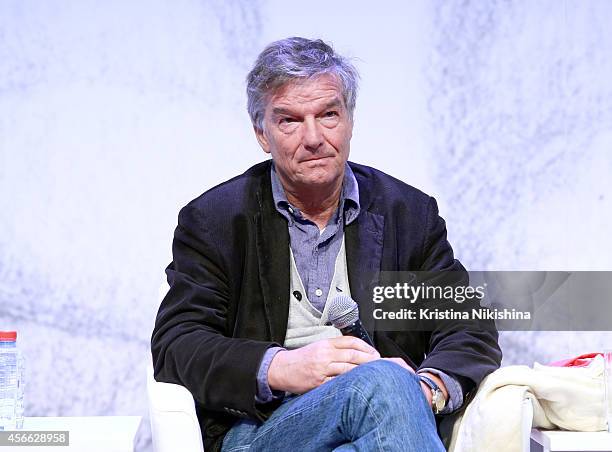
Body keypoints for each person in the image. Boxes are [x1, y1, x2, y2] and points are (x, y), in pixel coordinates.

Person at [151, 37, 501, 452]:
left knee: (386, 392)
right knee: (385, 383)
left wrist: (421, 391)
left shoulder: (407, 213)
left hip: (385, 428)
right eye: (290, 121)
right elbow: (178, 344)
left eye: (328, 114)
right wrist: (281, 367)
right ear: (262, 134)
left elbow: (468, 328)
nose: (314, 137)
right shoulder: (217, 220)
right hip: (262, 431)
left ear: (350, 120)